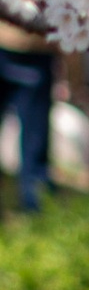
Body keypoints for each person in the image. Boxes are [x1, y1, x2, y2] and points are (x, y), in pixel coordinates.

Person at [0, 24, 51, 211]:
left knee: (34, 138)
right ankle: (35, 206)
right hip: (34, 45)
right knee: (34, 139)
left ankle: (35, 205)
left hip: (32, 46)